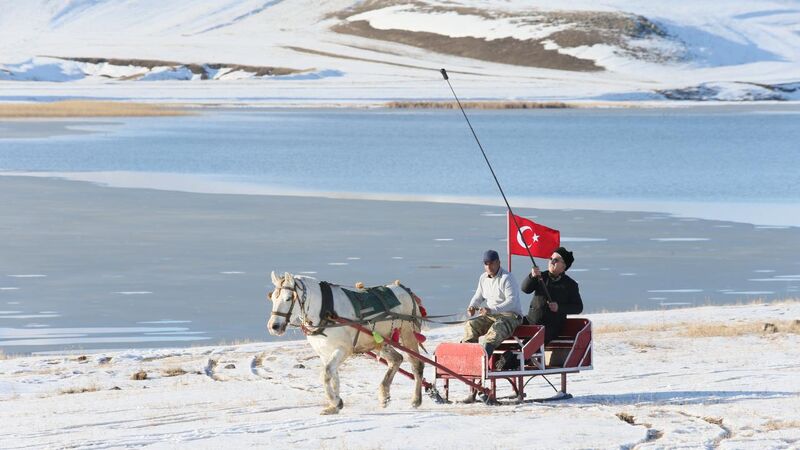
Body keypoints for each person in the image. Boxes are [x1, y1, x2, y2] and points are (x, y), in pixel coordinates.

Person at [461, 249, 524, 357]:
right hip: (491, 315)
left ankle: (483, 365)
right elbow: (478, 296)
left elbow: (511, 302)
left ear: (498, 263)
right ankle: (470, 359)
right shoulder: (483, 277)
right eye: (486, 264)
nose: (489, 267)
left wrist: (491, 309)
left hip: (511, 316)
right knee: (470, 325)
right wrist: (472, 306)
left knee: (493, 334)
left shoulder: (507, 278)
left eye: (492, 263)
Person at [521, 247, 583, 344]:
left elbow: (578, 307)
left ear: (564, 266)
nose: (552, 261)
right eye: (551, 258)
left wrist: (559, 307)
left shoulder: (570, 285)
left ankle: (513, 359)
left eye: (556, 260)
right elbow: (525, 289)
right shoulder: (541, 276)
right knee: (510, 325)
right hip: (531, 322)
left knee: (528, 345)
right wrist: (532, 277)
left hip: (551, 328)